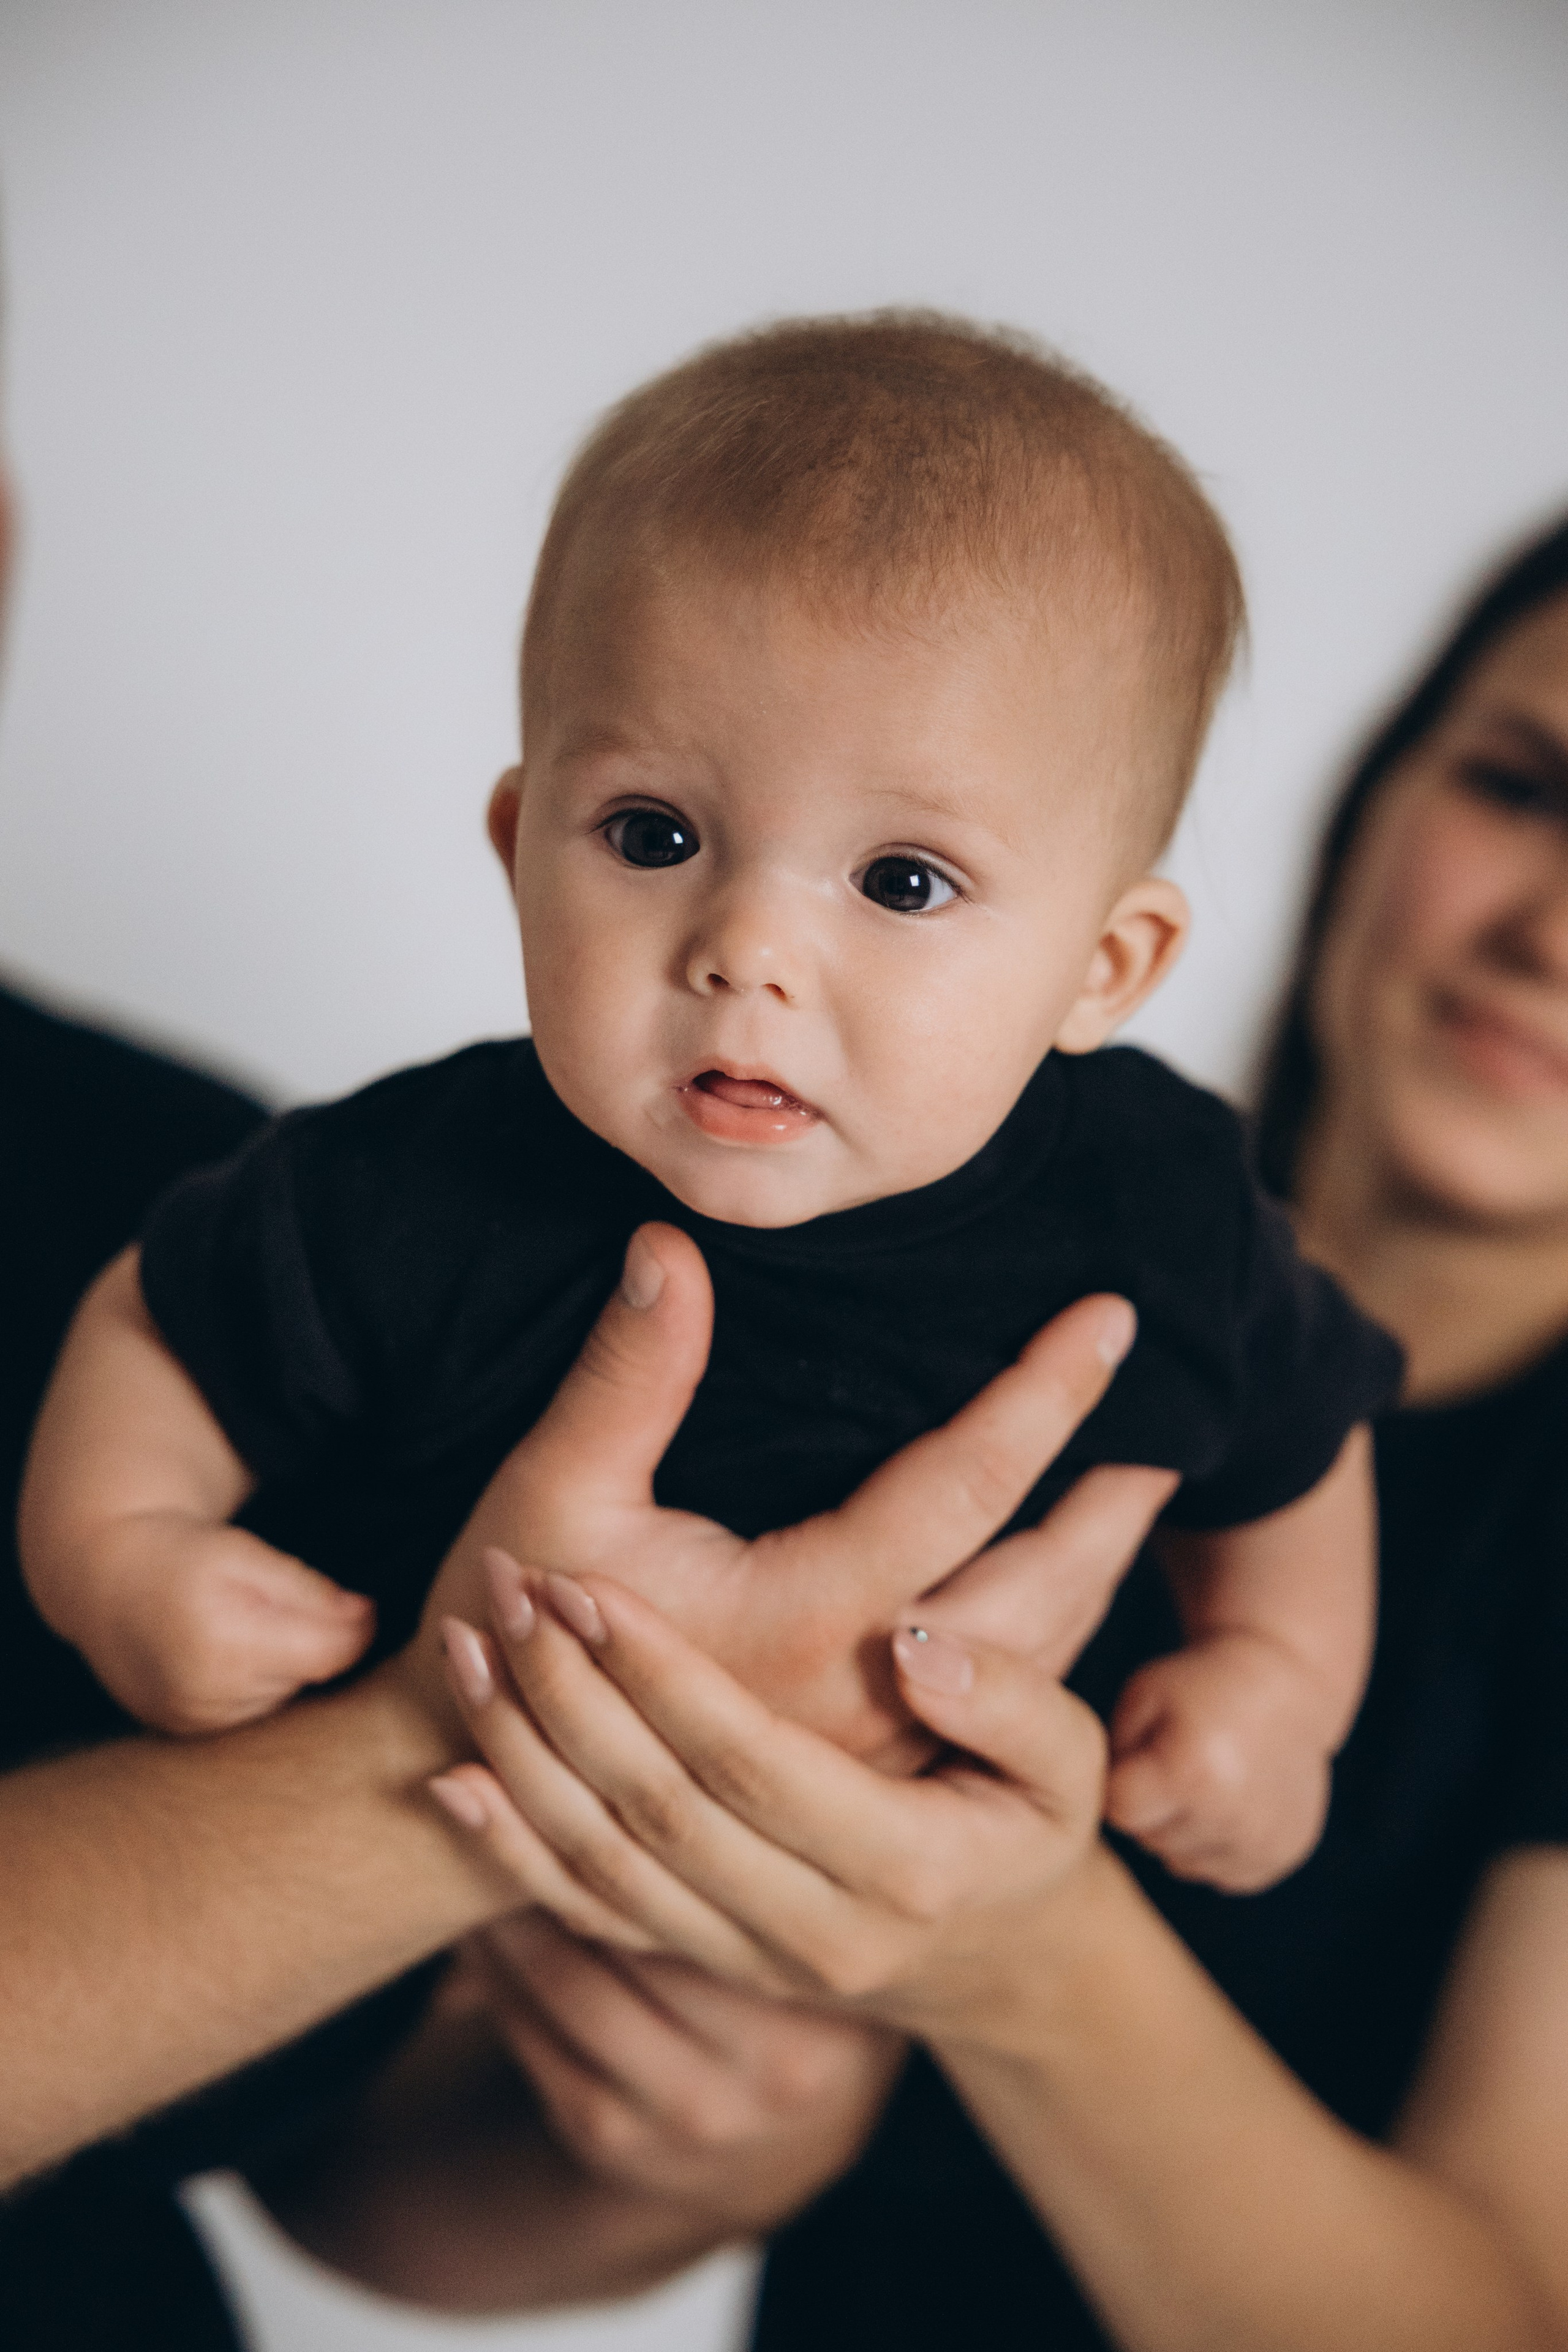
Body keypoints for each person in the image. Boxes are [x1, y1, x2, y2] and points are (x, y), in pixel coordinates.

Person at [21, 313, 1397, 1900]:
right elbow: (158, 1323)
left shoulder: (1156, 1208)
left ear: (1107, 964)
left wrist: (1277, 1682)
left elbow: (1297, 1437)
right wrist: (126, 1557)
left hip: (869, 1945)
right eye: (654, 835)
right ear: (520, 839)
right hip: (405, 1889)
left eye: (902, 880)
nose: (745, 953)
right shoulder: (420, 1181)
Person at [413, 511, 1568, 2351]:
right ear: (1383, 785)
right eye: (1523, 788)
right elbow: (381, 2209)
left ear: (1126, 947)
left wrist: (1020, 1959)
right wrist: (694, 2160)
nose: (1551, 931)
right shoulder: (819, 1222)